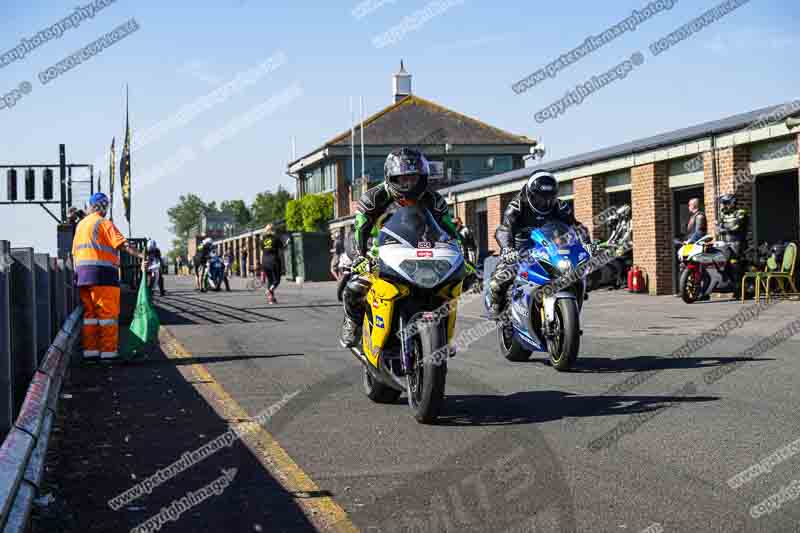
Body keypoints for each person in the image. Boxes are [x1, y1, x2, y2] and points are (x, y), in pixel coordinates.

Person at [339, 147, 461, 348]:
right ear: (390, 177)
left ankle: (444, 338)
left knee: (450, 287)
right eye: (403, 179)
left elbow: (449, 230)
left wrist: (460, 253)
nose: (408, 183)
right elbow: (359, 230)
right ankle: (352, 322)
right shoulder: (373, 198)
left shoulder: (434, 199)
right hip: (377, 250)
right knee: (355, 287)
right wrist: (361, 256)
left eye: (413, 178)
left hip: (421, 251)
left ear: (422, 178)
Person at [487, 171, 584, 317]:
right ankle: (499, 309)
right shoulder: (517, 205)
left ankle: (569, 311)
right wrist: (508, 249)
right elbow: (504, 229)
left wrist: (587, 243)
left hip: (551, 249)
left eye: (549, 198)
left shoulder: (560, 207)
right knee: (498, 281)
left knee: (577, 273)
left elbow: (576, 227)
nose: (545, 202)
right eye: (540, 198)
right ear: (531, 194)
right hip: (521, 251)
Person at [72, 192, 146, 360]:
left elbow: (74, 252)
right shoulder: (104, 223)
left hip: (82, 276)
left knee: (90, 316)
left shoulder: (81, 225)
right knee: (107, 316)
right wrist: (143, 256)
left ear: (90, 206)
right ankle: (108, 354)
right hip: (103, 276)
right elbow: (124, 245)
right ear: (103, 206)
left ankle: (91, 354)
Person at [716, 193, 749, 280]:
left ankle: (738, 286)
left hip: (737, 243)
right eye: (724, 204)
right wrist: (721, 229)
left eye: (726, 203)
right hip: (724, 243)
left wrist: (723, 229)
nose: (724, 206)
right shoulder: (723, 214)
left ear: (732, 203)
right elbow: (718, 228)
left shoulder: (741, 213)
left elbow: (735, 228)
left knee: (734, 264)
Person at [261, 224, 285, 303]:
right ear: (273, 230)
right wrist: (286, 244)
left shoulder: (263, 239)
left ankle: (271, 299)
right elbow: (282, 248)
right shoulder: (276, 238)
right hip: (273, 260)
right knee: (277, 280)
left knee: (270, 280)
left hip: (264, 261)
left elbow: (263, 249)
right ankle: (269, 290)